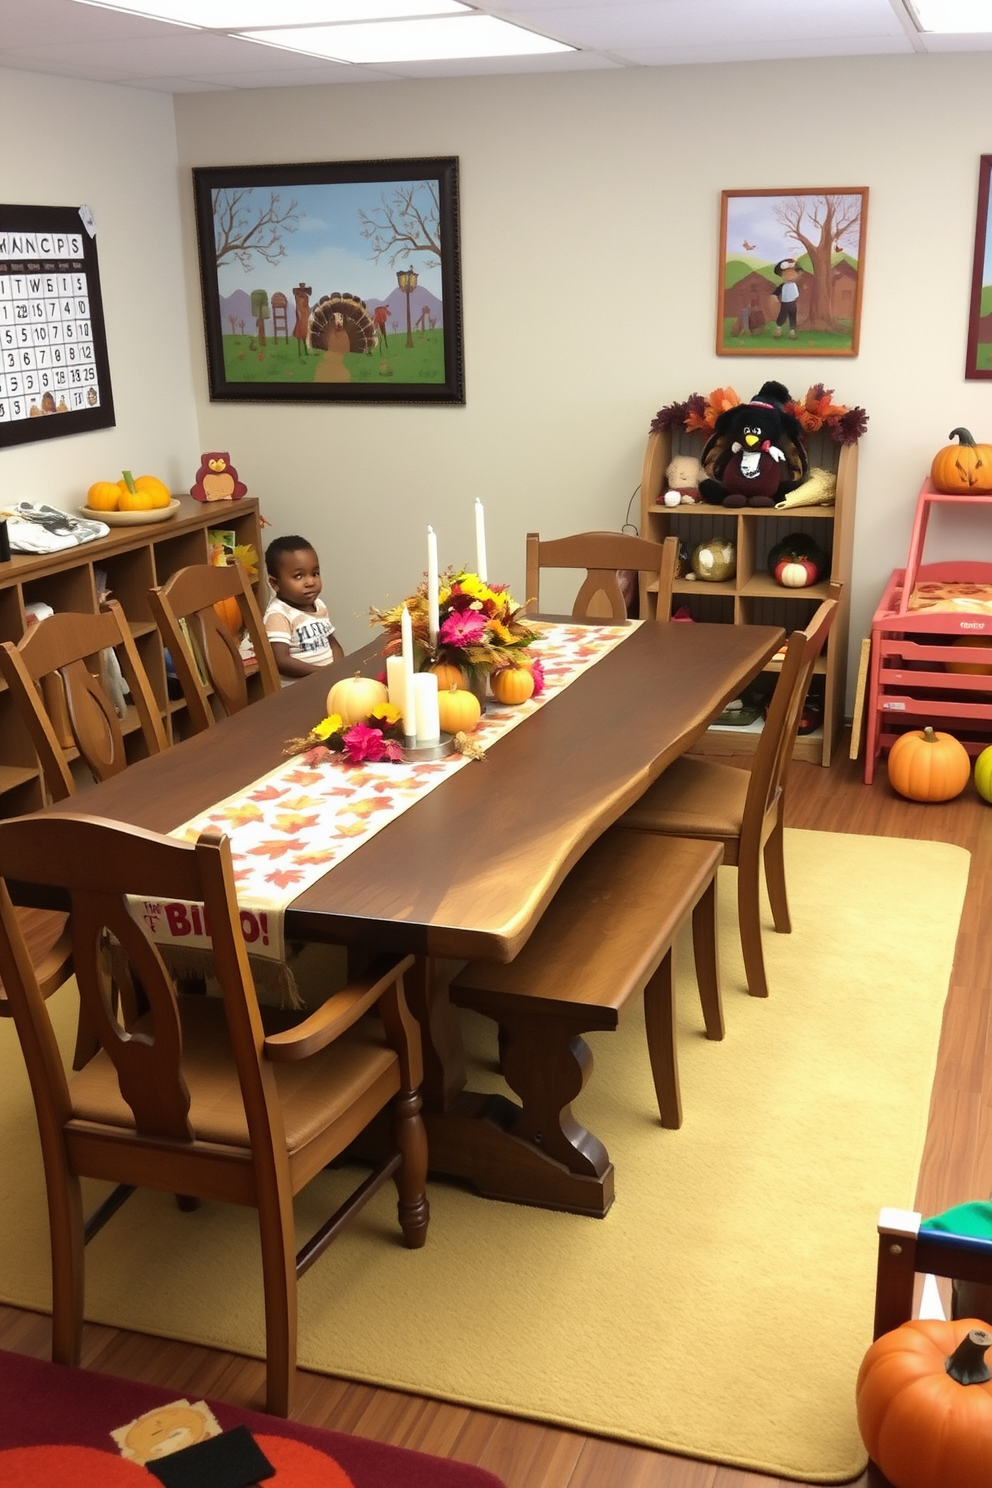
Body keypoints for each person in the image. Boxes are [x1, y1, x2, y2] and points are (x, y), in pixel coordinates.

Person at [263, 534, 344, 679]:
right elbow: (281, 661)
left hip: (326, 681)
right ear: (274, 583)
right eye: (299, 576)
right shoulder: (279, 614)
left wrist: (338, 667)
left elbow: (332, 642)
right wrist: (321, 673)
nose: (310, 582)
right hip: (300, 692)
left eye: (315, 573)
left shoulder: (319, 605)